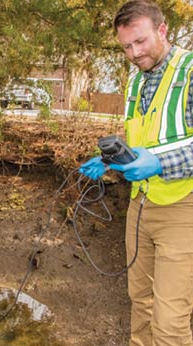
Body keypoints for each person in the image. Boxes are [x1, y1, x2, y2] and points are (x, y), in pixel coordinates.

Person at [79, 1, 193, 345]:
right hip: (140, 205)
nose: (134, 53)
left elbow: (158, 154)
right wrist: (111, 161)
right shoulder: (135, 80)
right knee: (140, 301)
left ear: (162, 30)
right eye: (126, 46)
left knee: (170, 321)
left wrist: (159, 164)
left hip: (183, 207)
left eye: (140, 42)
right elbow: (146, 140)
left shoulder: (189, 71)